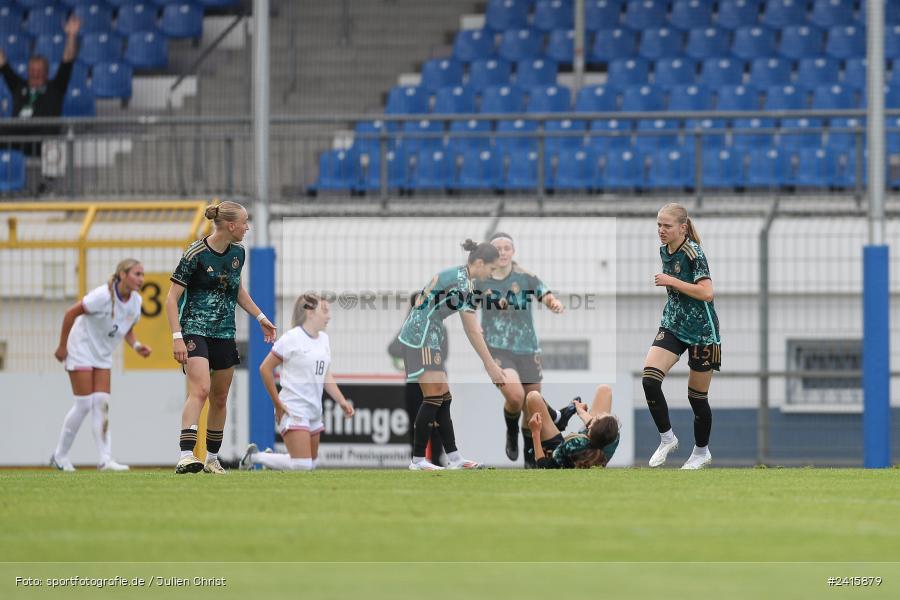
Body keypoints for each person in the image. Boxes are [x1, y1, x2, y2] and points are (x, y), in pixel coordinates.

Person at [166, 201, 277, 475]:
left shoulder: (238, 253)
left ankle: (212, 459)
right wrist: (177, 337)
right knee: (201, 389)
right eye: (245, 222)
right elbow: (171, 299)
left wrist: (261, 318)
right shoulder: (195, 253)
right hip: (194, 329)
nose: (247, 227)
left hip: (224, 332)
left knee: (220, 397)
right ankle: (185, 454)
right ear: (231, 225)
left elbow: (236, 290)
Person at [397, 239, 508, 471]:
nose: (491, 273)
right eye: (491, 268)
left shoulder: (461, 277)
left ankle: (455, 458)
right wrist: (490, 365)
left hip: (430, 332)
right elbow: (471, 329)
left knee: (443, 397)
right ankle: (417, 460)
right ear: (478, 262)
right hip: (423, 334)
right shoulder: (462, 284)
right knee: (433, 396)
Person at [474, 231, 567, 466]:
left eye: (507, 248)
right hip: (497, 349)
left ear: (513, 252)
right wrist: (476, 328)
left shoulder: (525, 277)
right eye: (498, 248)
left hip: (527, 348)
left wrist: (553, 303)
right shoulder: (482, 279)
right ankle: (511, 431)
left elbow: (544, 293)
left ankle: (529, 451)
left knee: (532, 402)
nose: (503, 252)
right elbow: (467, 306)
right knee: (516, 397)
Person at [51, 258, 151, 471]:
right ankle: (60, 456)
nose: (141, 279)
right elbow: (71, 313)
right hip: (80, 349)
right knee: (84, 404)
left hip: (102, 355)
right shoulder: (102, 296)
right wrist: (62, 347)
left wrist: (137, 346)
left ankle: (105, 459)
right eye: (136, 274)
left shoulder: (136, 302)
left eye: (142, 274)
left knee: (102, 403)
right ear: (122, 275)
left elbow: (126, 329)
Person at [643, 203, 720, 470]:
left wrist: (671, 281)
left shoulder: (693, 252)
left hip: (702, 332)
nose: (661, 231)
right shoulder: (665, 249)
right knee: (650, 380)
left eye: (667, 226)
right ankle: (667, 439)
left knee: (696, 398)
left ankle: (701, 452)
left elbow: (707, 293)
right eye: (658, 225)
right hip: (674, 325)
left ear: (682, 228)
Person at [241, 294, 354, 471]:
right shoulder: (292, 338)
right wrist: (277, 404)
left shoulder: (324, 339)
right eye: (324, 311)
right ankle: (255, 457)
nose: (328, 316)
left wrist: (341, 401)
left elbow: (325, 375)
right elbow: (265, 368)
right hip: (292, 407)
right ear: (309, 312)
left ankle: (271, 458)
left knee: (311, 464)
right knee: (302, 465)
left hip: (314, 410)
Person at [0, 16, 81, 158]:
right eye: (32, 70)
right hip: (19, 134)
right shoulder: (18, 85)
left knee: (54, 143)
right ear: (27, 71)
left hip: (44, 137)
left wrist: (71, 36)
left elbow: (67, 59)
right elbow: (2, 63)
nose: (35, 74)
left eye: (39, 71)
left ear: (47, 72)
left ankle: (47, 181)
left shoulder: (56, 87)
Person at [388, 293, 446, 466]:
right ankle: (416, 459)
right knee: (415, 422)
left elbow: (444, 353)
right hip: (414, 384)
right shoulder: (408, 329)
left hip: (434, 383)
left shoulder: (439, 327)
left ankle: (437, 459)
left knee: (437, 422)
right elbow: (393, 349)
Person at [525, 385, 621, 469]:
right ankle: (559, 418)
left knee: (533, 397)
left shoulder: (572, 446)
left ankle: (558, 417)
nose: (594, 417)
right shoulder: (612, 439)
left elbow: (544, 465)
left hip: (557, 450)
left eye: (596, 417)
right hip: (589, 448)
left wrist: (535, 432)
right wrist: (580, 411)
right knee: (604, 390)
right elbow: (596, 425)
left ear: (590, 427)